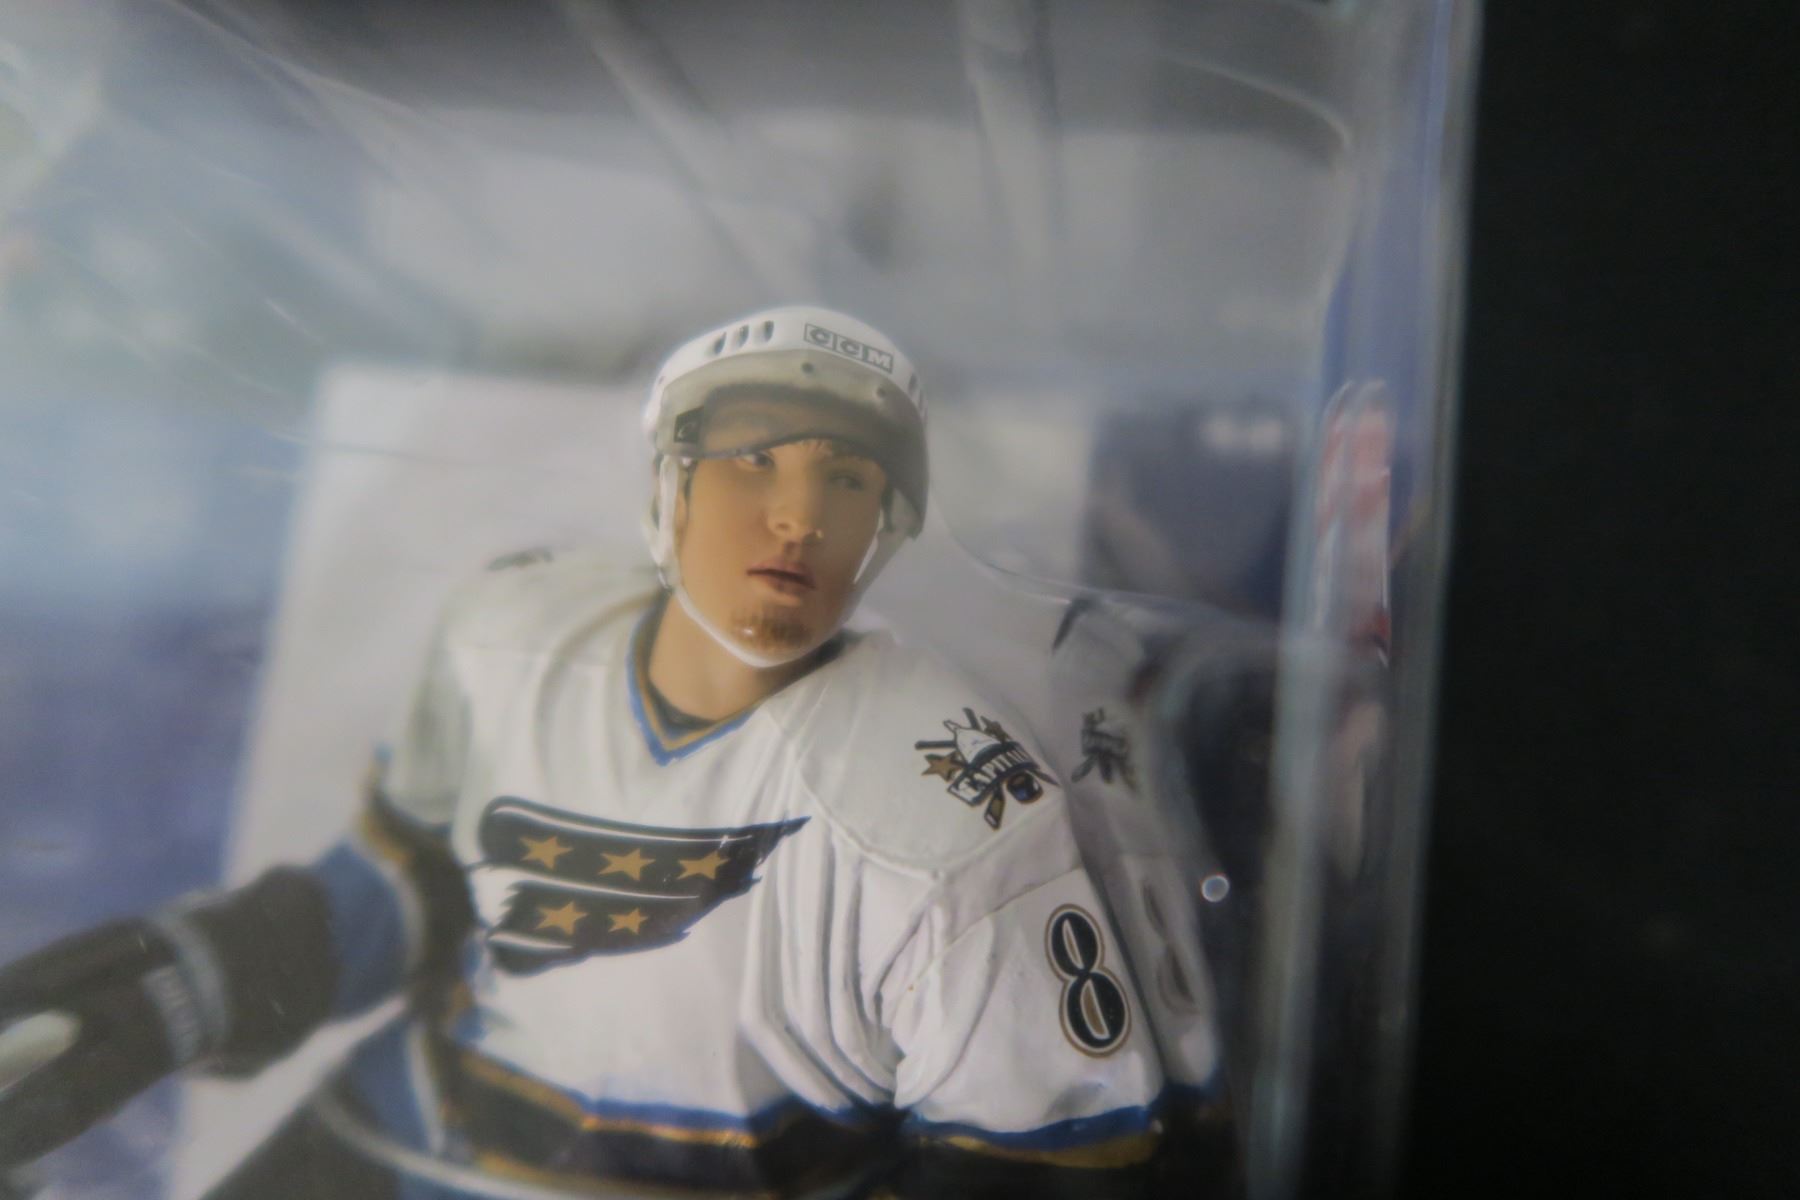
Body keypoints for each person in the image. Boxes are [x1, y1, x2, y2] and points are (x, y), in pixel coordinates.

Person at [0, 307, 1174, 1199]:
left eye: (848, 476)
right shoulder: (508, 639)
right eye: (753, 460)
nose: (798, 515)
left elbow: (1053, 1151)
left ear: (890, 526)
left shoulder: (954, 817)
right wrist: (184, 987)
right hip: (410, 1149)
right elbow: (407, 888)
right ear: (667, 485)